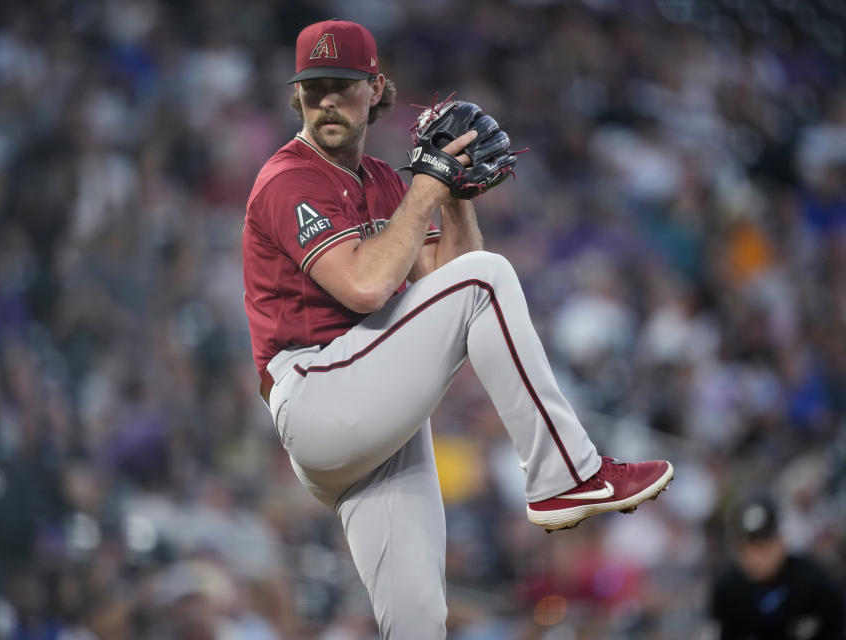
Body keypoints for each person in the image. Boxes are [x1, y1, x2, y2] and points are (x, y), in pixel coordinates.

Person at [241, 19, 674, 639]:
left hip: (371, 419)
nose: (328, 101)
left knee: (419, 622)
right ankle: (565, 476)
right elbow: (368, 287)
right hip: (316, 393)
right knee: (489, 278)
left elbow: (449, 280)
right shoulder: (289, 179)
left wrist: (456, 192)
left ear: (375, 89)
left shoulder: (389, 183)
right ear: (297, 97)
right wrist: (426, 188)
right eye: (314, 89)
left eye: (342, 85)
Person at [710, 495, 845, 639]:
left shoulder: (813, 581)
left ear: (781, 541)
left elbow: (837, 627)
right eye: (747, 548)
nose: (756, 557)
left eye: (763, 546)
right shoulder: (727, 589)